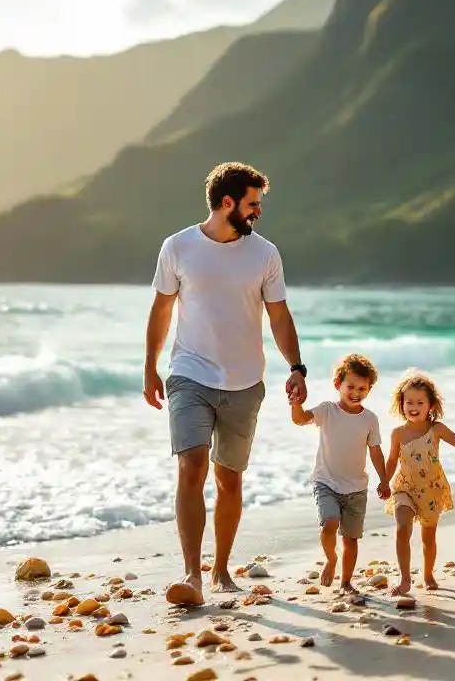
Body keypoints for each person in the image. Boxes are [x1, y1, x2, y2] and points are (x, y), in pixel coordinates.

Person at [143, 161, 308, 607]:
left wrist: (296, 367)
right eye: (253, 204)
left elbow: (279, 316)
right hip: (188, 376)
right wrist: (150, 366)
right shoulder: (178, 247)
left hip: (244, 382)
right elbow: (161, 311)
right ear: (228, 202)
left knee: (229, 479)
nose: (258, 212)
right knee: (191, 465)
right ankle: (192, 574)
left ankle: (220, 571)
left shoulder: (264, 254)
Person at [291, 353, 391, 593]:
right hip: (326, 481)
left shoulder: (370, 419)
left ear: (369, 389)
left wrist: (384, 480)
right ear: (338, 384)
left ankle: (346, 582)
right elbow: (300, 420)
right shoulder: (327, 410)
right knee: (329, 524)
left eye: (363, 388)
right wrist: (296, 403)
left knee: (351, 539)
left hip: (356, 488)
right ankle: (330, 559)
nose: (356, 392)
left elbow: (376, 452)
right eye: (351, 386)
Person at [385, 371, 455, 596]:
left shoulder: (436, 429)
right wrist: (383, 482)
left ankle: (427, 574)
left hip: (431, 490)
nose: (413, 406)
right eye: (409, 402)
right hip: (404, 487)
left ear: (430, 405)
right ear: (401, 404)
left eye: (420, 402)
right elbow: (391, 461)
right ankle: (405, 578)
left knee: (428, 537)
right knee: (402, 528)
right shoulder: (397, 433)